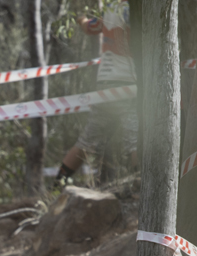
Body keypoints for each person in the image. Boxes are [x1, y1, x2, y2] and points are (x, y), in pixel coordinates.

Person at [54, 0, 137, 189]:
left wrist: (80, 16)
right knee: (136, 137)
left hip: (105, 81)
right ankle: (143, 186)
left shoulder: (110, 9)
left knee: (88, 139)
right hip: (128, 82)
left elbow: (90, 27)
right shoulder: (134, 8)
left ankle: (57, 186)